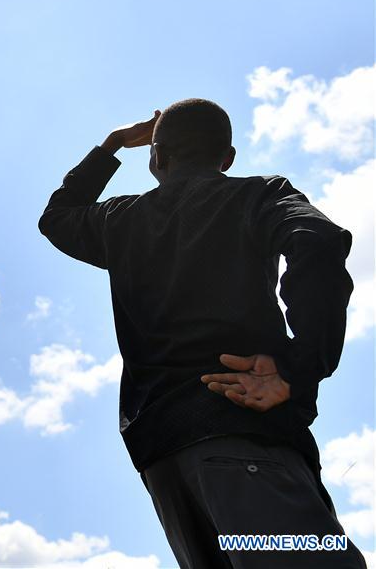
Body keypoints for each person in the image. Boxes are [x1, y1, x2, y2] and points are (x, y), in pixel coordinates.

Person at [38, 98, 366, 568]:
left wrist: (111, 145)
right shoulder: (260, 195)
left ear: (156, 158)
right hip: (243, 444)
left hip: (167, 465)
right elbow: (318, 240)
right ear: (228, 158)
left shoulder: (120, 220)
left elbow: (57, 216)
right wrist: (300, 367)